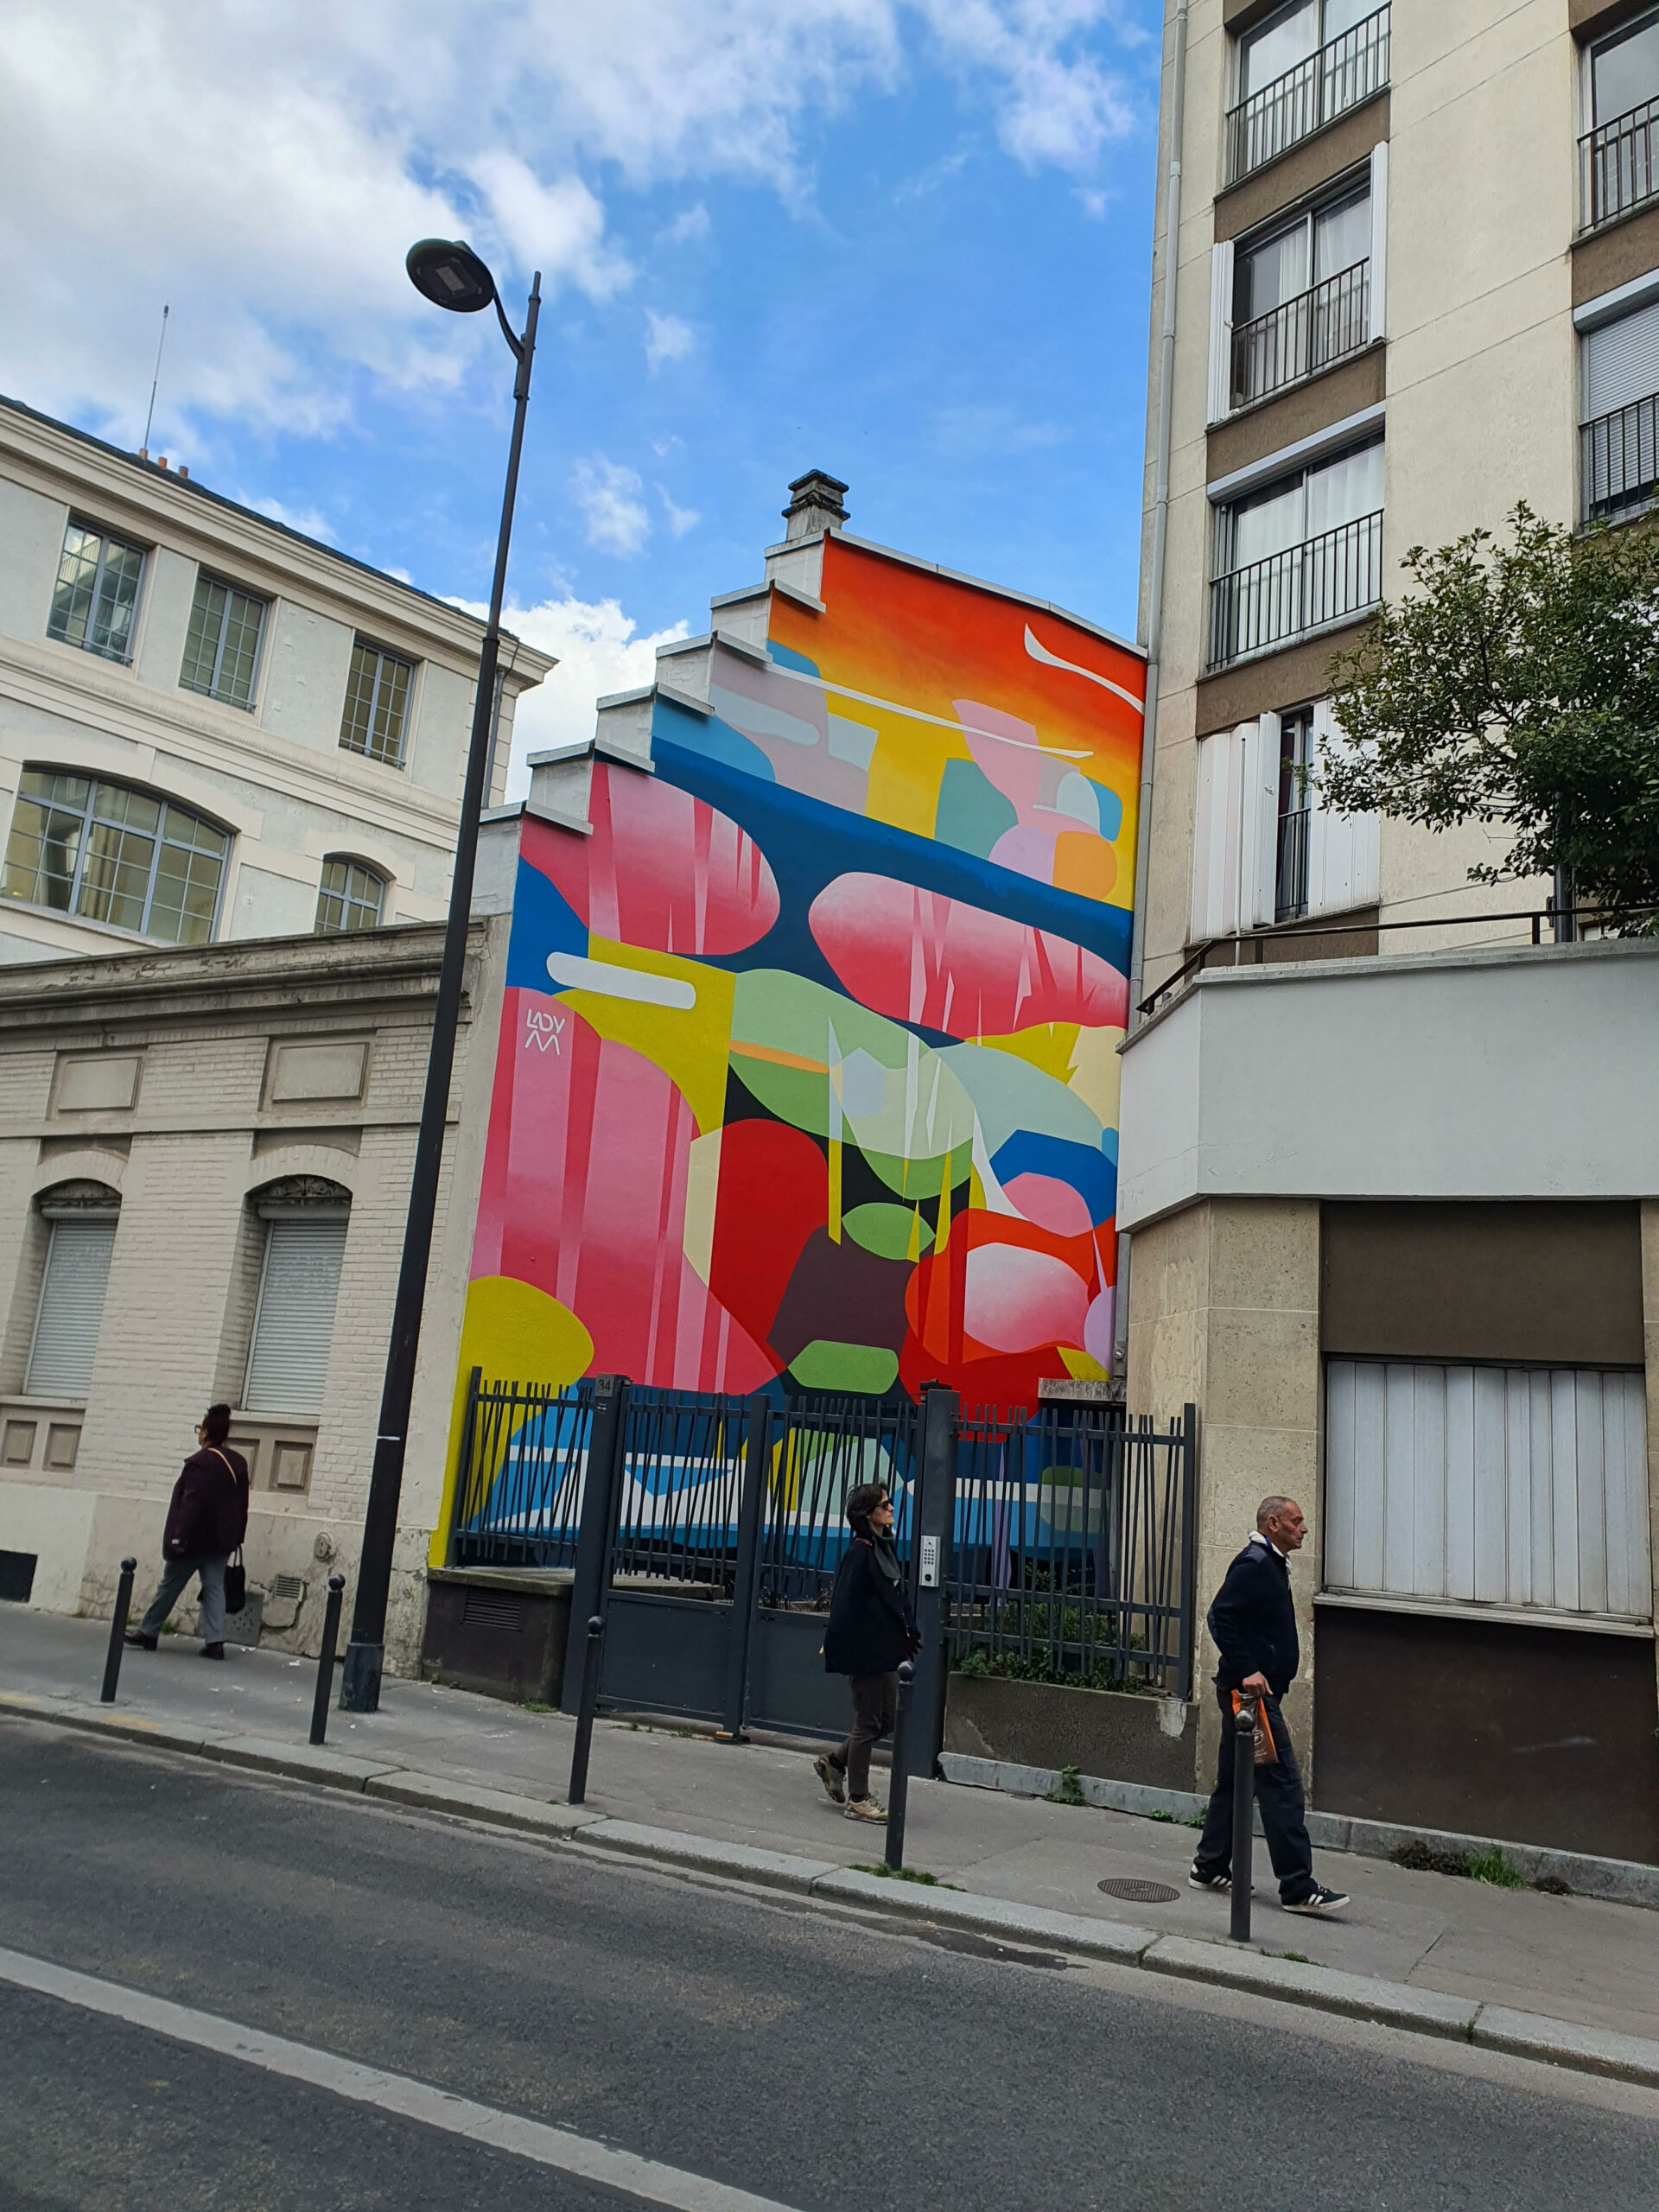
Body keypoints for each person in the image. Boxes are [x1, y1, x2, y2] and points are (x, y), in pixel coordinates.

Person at [1189, 1495, 1349, 1916]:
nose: (1304, 1528)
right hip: (1250, 1699)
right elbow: (1220, 1617)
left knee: (1235, 1781)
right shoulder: (1255, 1564)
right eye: (1297, 1521)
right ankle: (1297, 1887)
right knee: (1281, 1785)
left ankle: (1209, 1866)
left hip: (1246, 1695)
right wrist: (1248, 1669)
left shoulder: (1272, 1562)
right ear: (1274, 1523)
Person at [814, 1481, 918, 1823]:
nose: (891, 1509)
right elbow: (844, 1609)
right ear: (867, 1514)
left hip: (883, 1651)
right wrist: (846, 1653)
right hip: (865, 1653)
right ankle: (858, 1799)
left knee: (884, 1721)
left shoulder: (880, 1547)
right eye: (884, 1505)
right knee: (868, 1722)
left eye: (889, 1504)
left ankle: (835, 1763)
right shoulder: (859, 1553)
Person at [125, 1405, 251, 1661]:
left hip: (193, 1541)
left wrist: (177, 1538)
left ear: (205, 1433)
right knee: (215, 1588)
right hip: (221, 1541)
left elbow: (190, 1504)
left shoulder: (199, 1463)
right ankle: (214, 1642)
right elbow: (241, 1504)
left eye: (199, 1429)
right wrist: (236, 1536)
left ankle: (148, 1632)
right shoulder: (238, 1462)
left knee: (170, 1585)